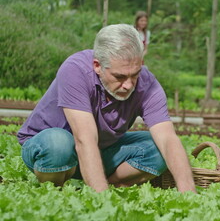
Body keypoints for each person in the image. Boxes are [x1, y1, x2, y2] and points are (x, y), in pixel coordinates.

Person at [17, 24, 196, 193]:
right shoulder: (75, 70)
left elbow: (167, 139)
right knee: (59, 143)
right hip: (49, 150)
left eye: (135, 75)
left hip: (100, 152)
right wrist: (102, 202)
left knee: (157, 147)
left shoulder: (148, 84)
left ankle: (103, 185)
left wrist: (189, 194)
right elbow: (84, 139)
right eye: (120, 77)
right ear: (97, 66)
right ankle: (55, 192)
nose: (128, 85)